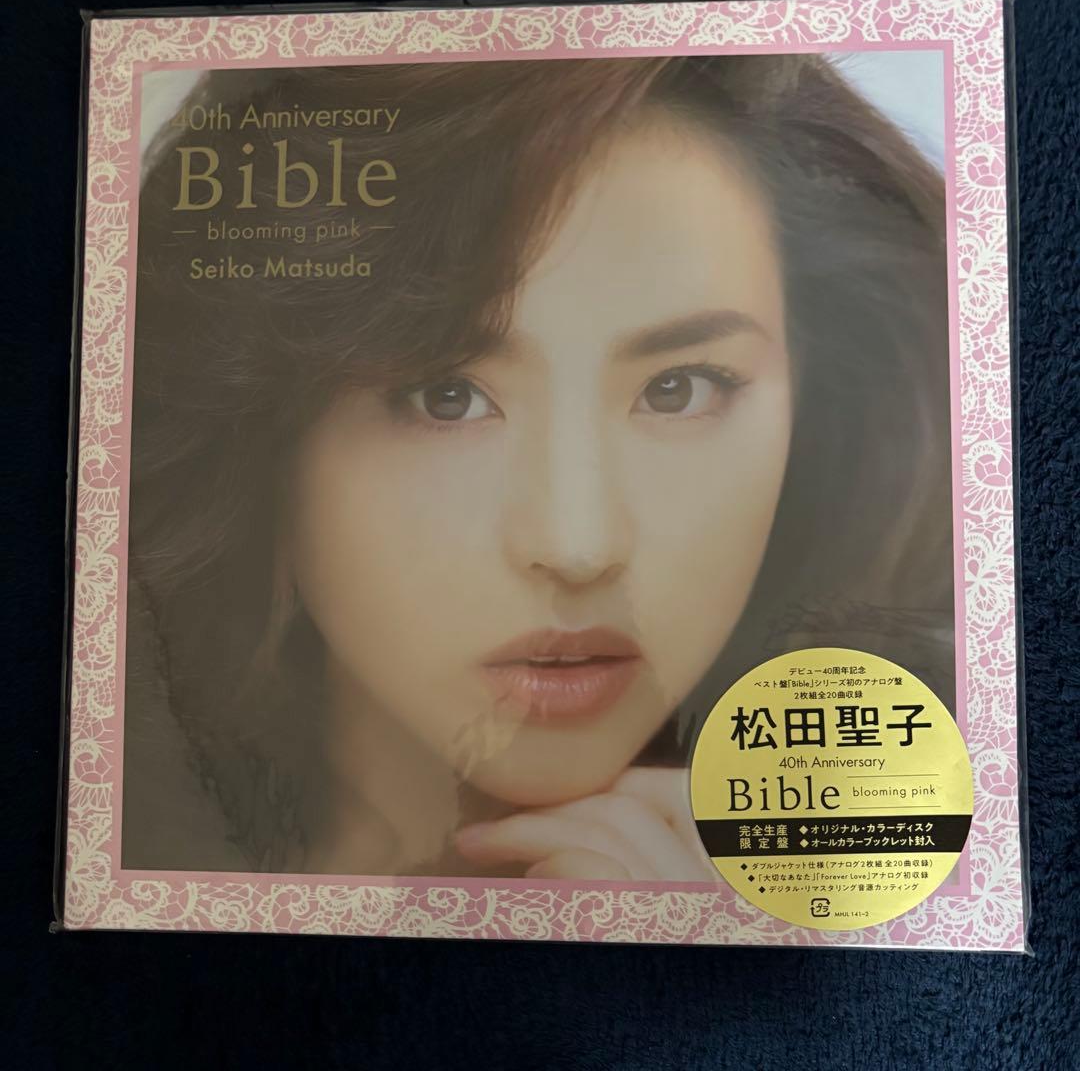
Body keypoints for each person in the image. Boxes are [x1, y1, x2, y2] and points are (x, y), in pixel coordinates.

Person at [123, 55, 953, 879]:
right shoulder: (95, 849)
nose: (577, 545)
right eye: (448, 398)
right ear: (261, 423)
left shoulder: (925, 871)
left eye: (678, 390)